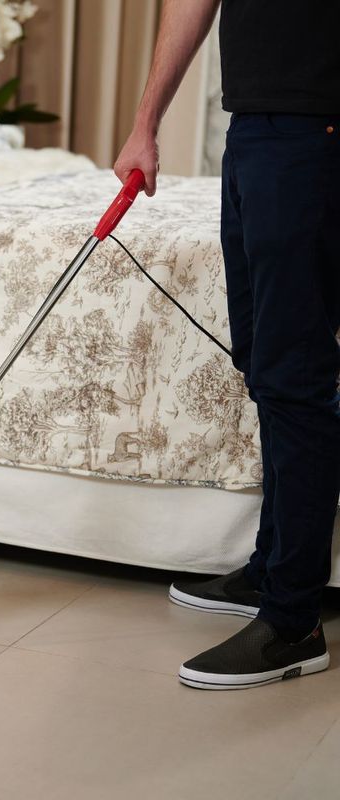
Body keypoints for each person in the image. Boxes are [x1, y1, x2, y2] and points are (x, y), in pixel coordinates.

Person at [114, 0, 340, 690]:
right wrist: (145, 124)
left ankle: (292, 621)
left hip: (318, 127)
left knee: (295, 373)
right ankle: (271, 569)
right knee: (263, 362)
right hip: (252, 127)